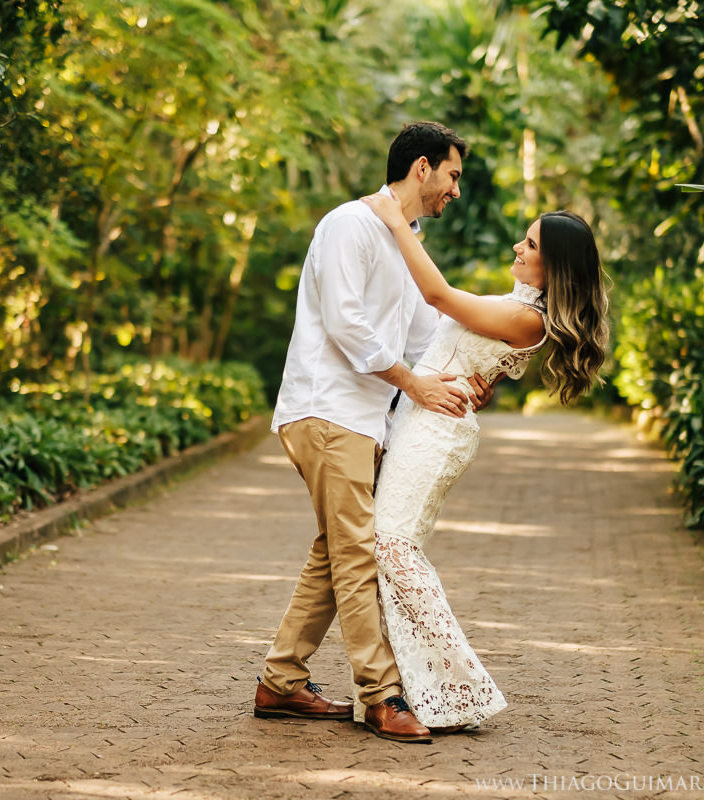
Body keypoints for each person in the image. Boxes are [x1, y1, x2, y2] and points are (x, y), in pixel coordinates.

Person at [256, 121, 492, 745]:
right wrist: (413, 386)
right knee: (358, 551)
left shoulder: (404, 240)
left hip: (364, 418)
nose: (455, 191)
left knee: (335, 549)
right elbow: (345, 322)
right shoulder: (349, 224)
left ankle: (280, 682)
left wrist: (464, 380)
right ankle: (381, 694)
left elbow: (423, 339)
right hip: (325, 409)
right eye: (452, 176)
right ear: (422, 168)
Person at [358, 190, 610, 732]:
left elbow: (437, 294)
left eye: (532, 243)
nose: (518, 246)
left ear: (554, 265)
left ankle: (456, 688)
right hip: (422, 418)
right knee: (385, 550)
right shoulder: (517, 308)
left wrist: (395, 220)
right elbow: (475, 355)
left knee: (394, 548)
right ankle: (410, 686)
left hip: (435, 431)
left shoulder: (527, 318)